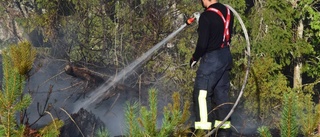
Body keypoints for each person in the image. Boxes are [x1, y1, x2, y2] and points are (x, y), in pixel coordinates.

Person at [189, 0, 234, 136]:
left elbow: (202, 44)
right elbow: (220, 31)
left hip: (212, 59)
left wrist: (194, 58)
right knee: (221, 94)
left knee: (201, 94)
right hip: (225, 56)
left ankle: (203, 131)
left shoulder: (206, 16)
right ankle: (224, 131)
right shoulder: (228, 12)